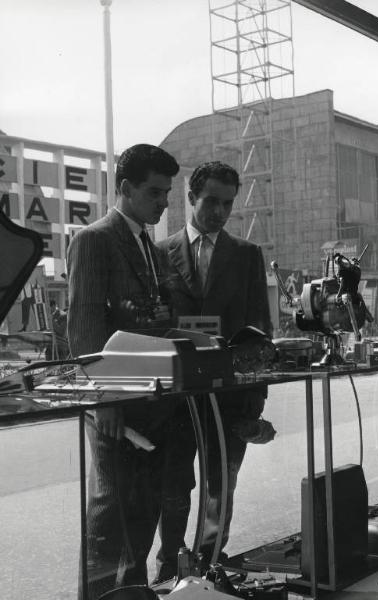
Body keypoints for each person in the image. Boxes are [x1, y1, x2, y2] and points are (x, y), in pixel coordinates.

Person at [67, 144, 194, 599]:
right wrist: (105, 401)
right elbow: (83, 331)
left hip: (154, 403)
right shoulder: (94, 240)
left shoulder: (152, 248)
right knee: (110, 517)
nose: (164, 202)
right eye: (155, 192)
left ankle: (133, 593)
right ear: (125, 188)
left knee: (142, 515)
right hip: (116, 407)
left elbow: (155, 321)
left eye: (166, 193)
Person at [156, 161, 273, 572]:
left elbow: (261, 331)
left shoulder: (246, 256)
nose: (220, 212)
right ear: (190, 198)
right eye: (211, 202)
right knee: (173, 487)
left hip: (230, 396)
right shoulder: (158, 254)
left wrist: (255, 403)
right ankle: (170, 567)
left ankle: (208, 564)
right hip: (177, 397)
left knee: (220, 487)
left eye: (228, 204)